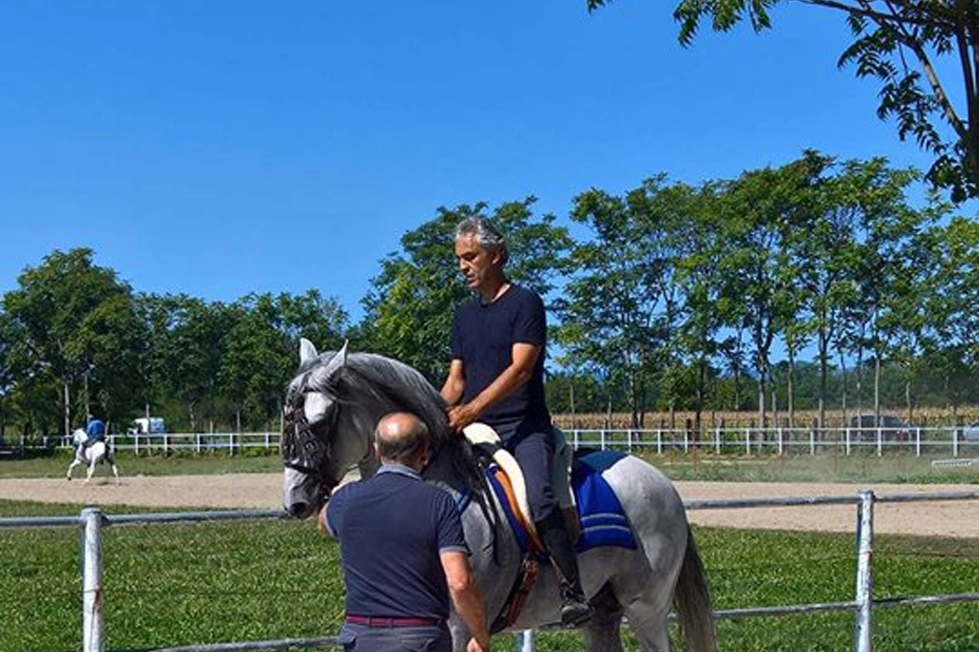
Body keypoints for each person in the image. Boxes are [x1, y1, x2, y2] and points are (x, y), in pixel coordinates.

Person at [440, 216, 593, 626]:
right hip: (477, 431)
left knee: (540, 497)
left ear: (498, 255)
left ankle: (571, 590)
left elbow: (521, 369)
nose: (463, 266)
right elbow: (457, 379)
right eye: (459, 259)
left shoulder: (525, 303)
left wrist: (473, 409)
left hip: (523, 427)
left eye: (471, 257)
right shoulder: (463, 316)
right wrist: (433, 417)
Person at [322, 412, 491, 652]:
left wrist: (336, 494)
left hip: (361, 638)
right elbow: (459, 582)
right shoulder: (439, 502)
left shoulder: (347, 499)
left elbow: (323, 521)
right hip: (420, 638)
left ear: (377, 450)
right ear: (425, 453)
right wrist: (480, 633)